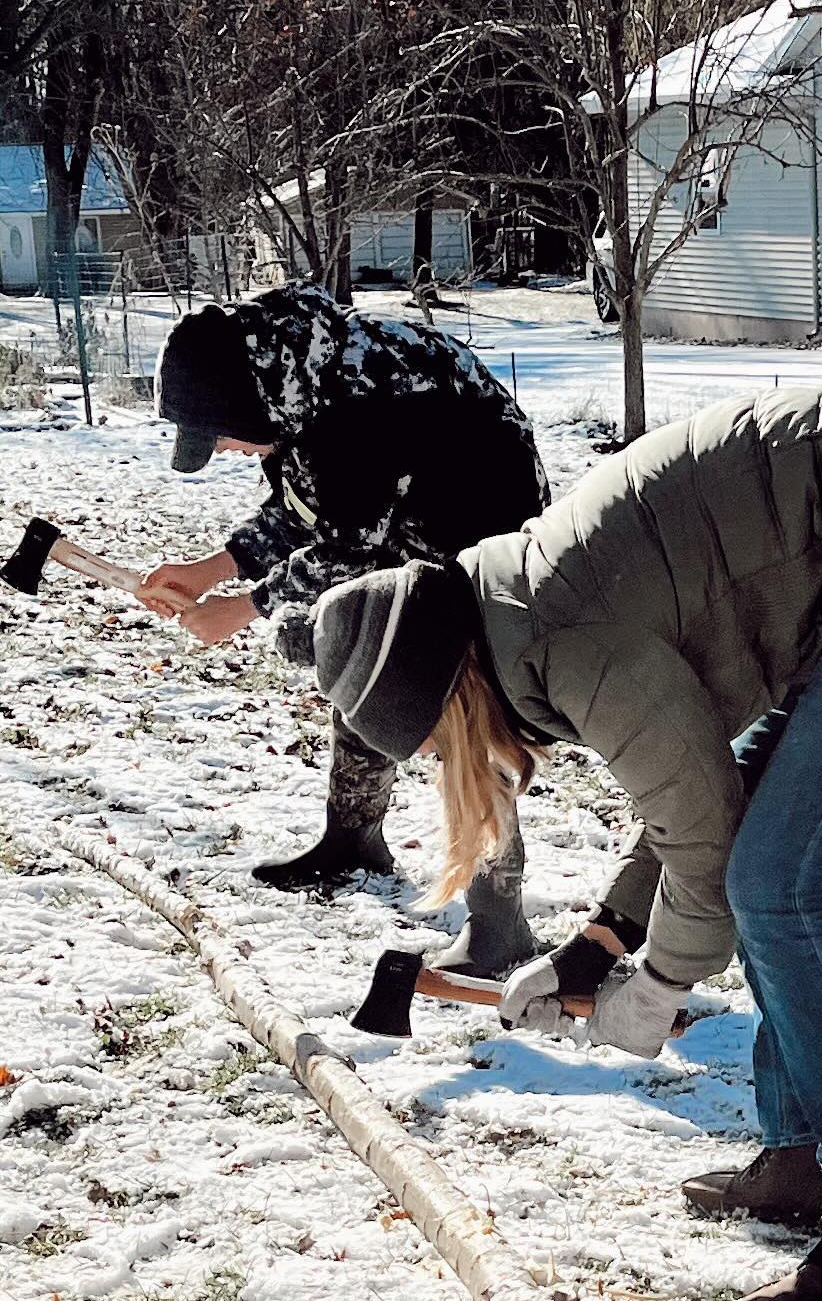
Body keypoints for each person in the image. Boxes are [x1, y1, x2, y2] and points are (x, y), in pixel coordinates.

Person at [308, 380, 822, 1301]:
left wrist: (657, 983)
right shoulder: (518, 613)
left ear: (449, 690)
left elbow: (705, 842)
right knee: (766, 865)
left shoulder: (567, 635)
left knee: (780, 885)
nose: (453, 763)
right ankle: (799, 1159)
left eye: (438, 744)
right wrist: (599, 943)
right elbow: (692, 788)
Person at [141, 282, 548, 971]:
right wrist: (210, 570)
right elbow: (308, 507)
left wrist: (242, 607)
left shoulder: (353, 398)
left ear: (244, 405)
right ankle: (353, 840)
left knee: (469, 716)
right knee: (364, 663)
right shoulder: (290, 379)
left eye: (224, 437)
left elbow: (346, 543)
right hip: (403, 528)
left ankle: (498, 918)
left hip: (482, 534)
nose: (234, 452)